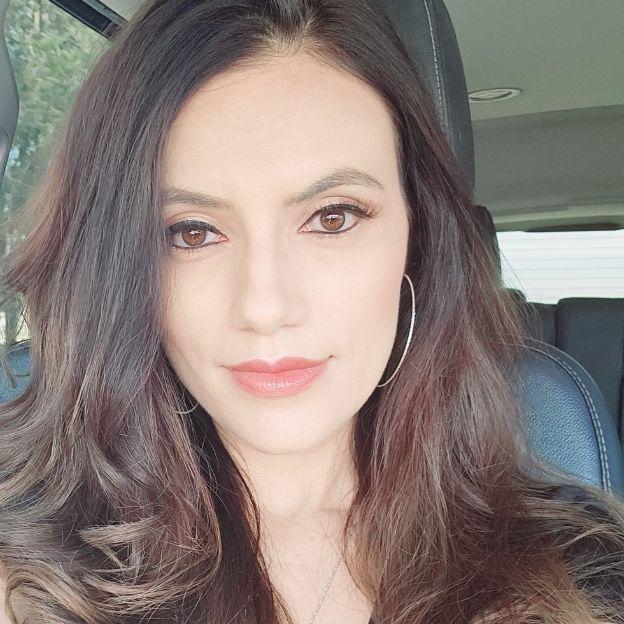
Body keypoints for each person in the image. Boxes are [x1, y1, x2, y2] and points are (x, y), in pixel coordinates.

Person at [0, 0, 623, 622]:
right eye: (192, 232)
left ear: (417, 241)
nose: (265, 307)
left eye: (332, 218)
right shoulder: (29, 571)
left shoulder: (579, 574)